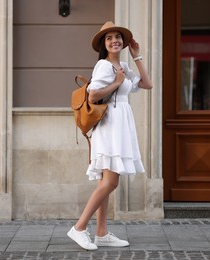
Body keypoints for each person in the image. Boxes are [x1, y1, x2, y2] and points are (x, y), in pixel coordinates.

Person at [67, 21, 153, 250]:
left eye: (117, 37)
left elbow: (147, 84)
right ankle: (79, 228)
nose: (114, 40)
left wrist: (137, 56)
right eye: (109, 38)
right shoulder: (105, 67)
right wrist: (116, 83)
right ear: (104, 45)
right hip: (109, 126)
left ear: (123, 42)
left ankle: (102, 233)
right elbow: (93, 95)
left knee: (106, 182)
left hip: (120, 126)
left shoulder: (123, 65)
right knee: (111, 182)